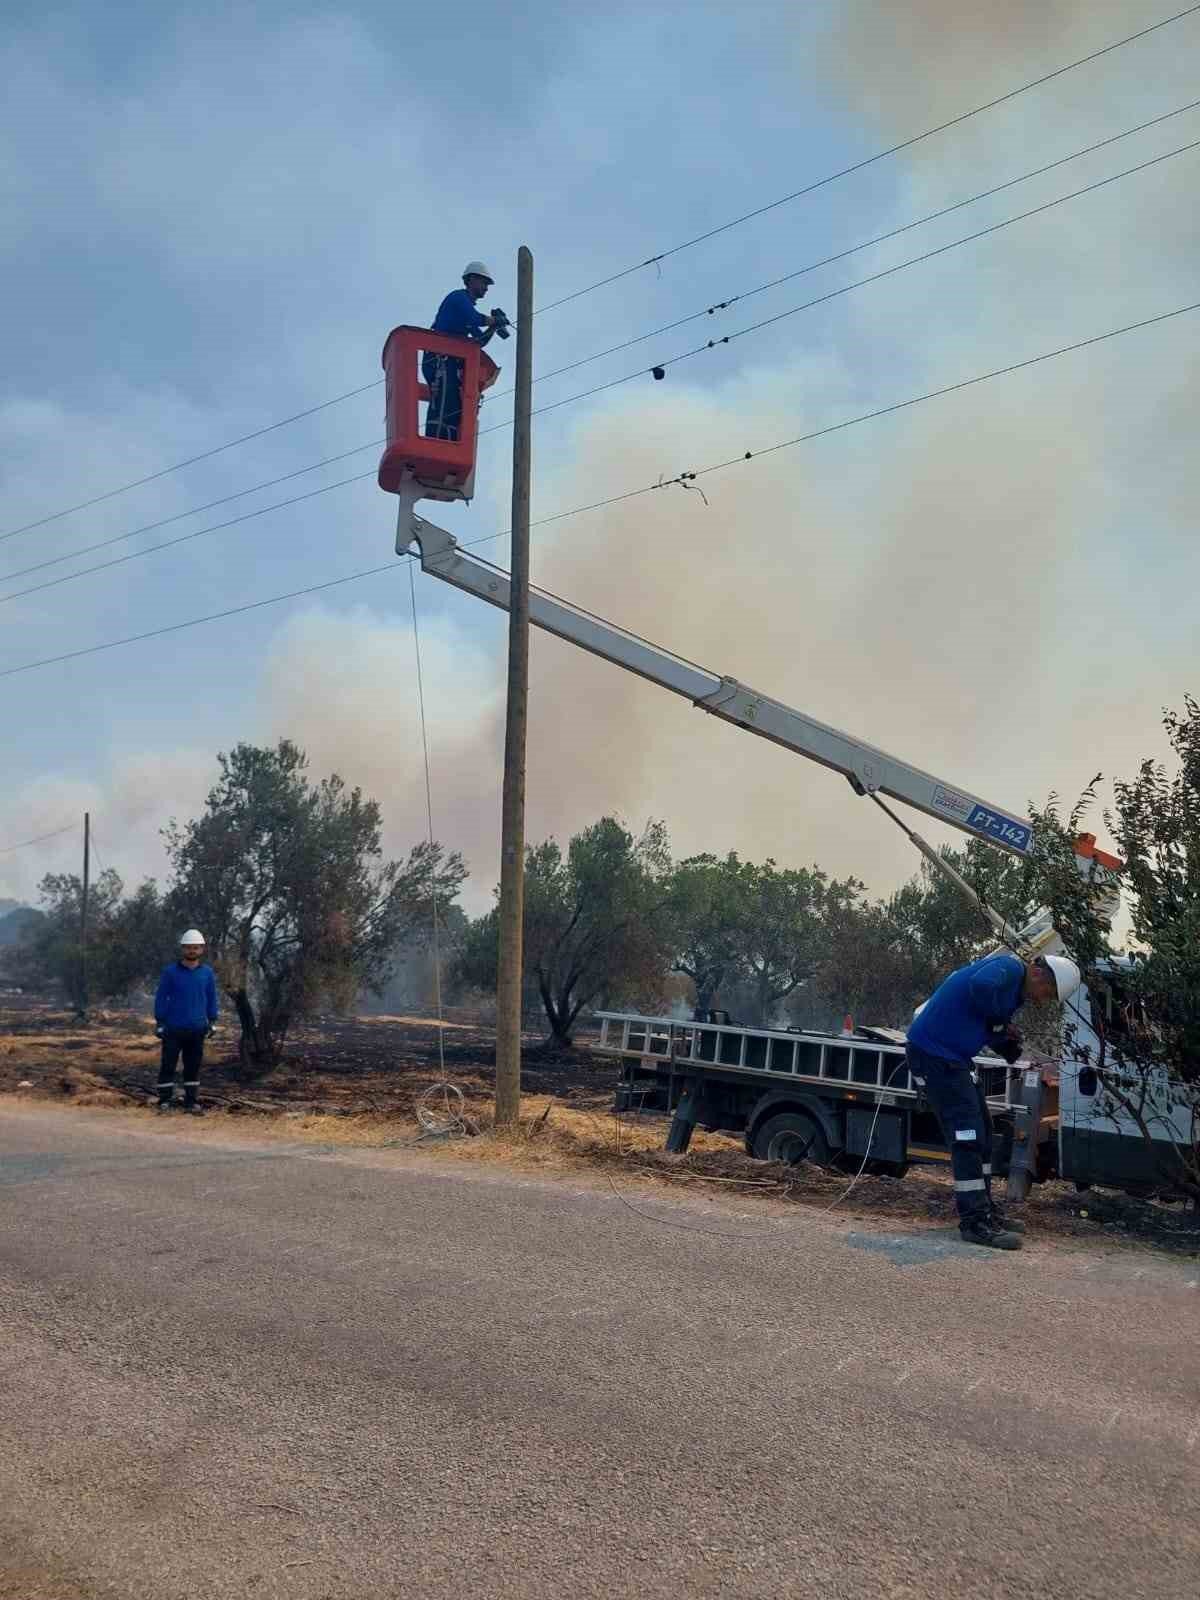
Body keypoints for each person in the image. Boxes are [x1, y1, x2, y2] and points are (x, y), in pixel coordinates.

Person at [906, 950, 1081, 1250]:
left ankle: (984, 1212)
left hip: (952, 1060)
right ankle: (974, 1222)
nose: (1043, 1000)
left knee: (984, 1133)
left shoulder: (1013, 993)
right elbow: (981, 988)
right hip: (935, 1057)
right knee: (968, 1137)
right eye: (1048, 992)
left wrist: (1017, 1053)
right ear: (1039, 973)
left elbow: (987, 1025)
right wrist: (999, 1023)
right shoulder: (1008, 969)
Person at [424, 261, 499, 441]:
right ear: (471, 279)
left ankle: (448, 440)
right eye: (484, 283)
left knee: (453, 403)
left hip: (449, 361)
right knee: (443, 399)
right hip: (438, 359)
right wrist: (493, 320)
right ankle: (436, 439)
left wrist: (494, 328)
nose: (486, 288)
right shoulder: (458, 298)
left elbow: (478, 342)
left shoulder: (467, 311)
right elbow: (475, 318)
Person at [154, 929, 218, 1114]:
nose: (192, 951)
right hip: (173, 1028)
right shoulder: (170, 972)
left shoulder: (207, 973)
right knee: (168, 1065)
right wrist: (160, 1022)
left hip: (197, 1028)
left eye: (195, 948)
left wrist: (212, 1020)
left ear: (201, 949)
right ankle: (165, 1100)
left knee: (193, 1066)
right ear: (183, 949)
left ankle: (191, 1102)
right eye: (189, 947)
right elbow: (161, 997)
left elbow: (211, 997)